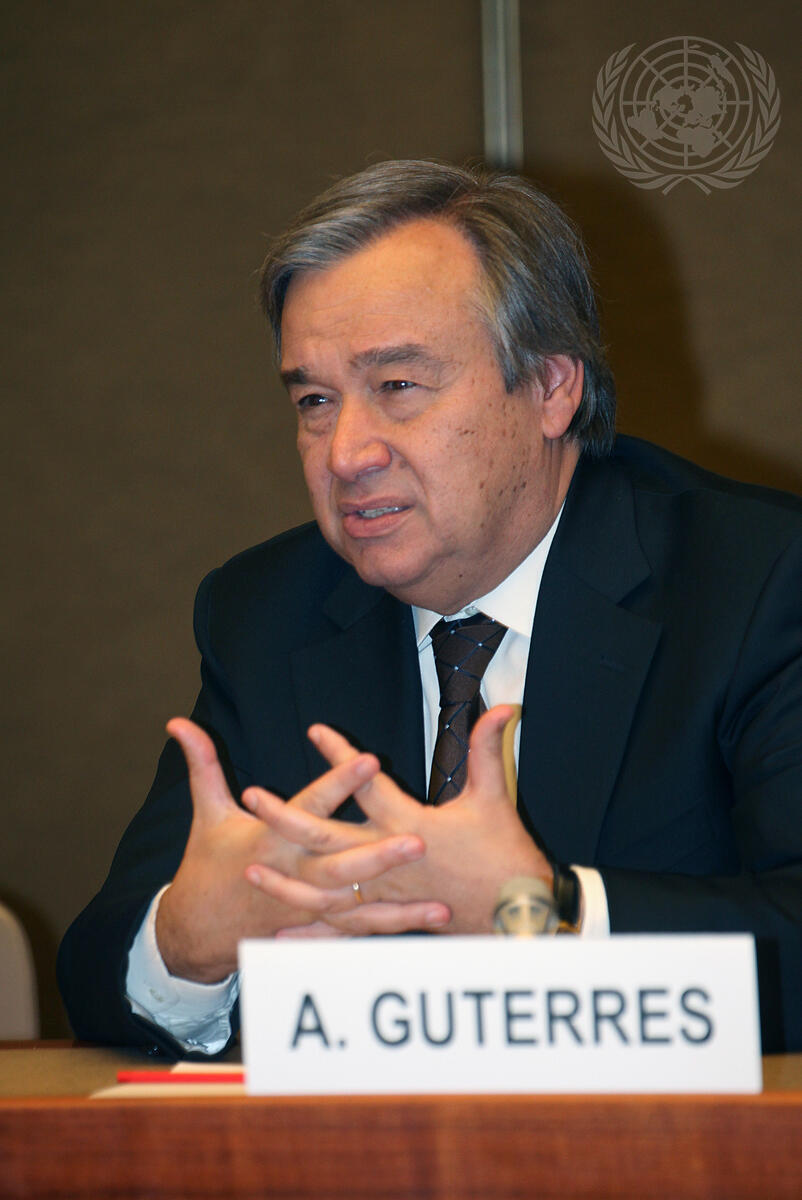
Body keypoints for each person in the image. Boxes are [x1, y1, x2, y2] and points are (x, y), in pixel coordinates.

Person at [58, 160, 802, 1057]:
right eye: (315, 401)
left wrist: (547, 915)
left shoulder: (757, 582)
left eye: (398, 387)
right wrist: (187, 941)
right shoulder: (268, 614)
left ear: (551, 388)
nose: (345, 454)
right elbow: (99, 973)